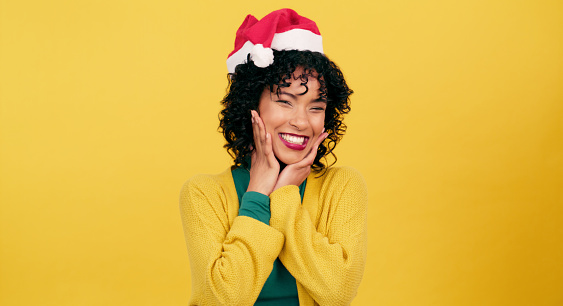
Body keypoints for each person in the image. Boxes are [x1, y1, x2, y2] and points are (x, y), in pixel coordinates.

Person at [180, 9, 368, 306]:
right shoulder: (204, 193)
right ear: (251, 105)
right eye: (285, 102)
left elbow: (338, 291)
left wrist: (283, 194)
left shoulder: (342, 186)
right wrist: (257, 192)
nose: (302, 122)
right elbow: (223, 299)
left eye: (315, 107)